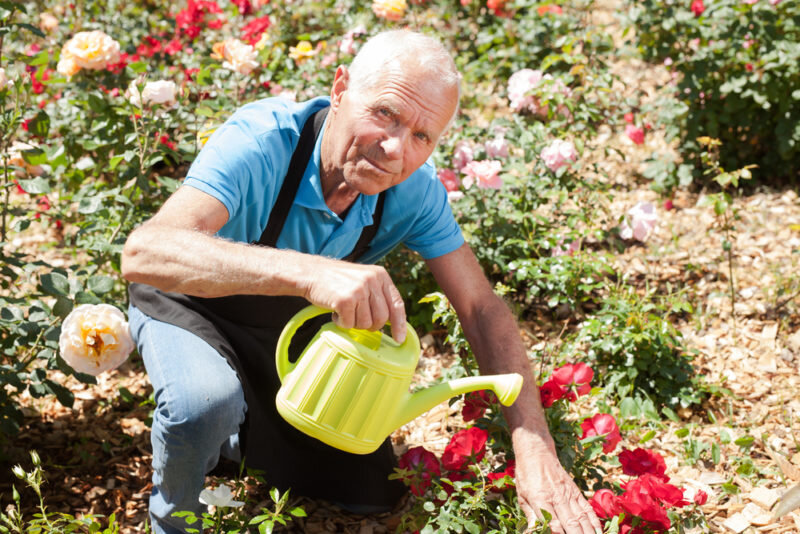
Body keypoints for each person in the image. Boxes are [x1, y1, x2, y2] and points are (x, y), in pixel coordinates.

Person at [121, 29, 602, 534]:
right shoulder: (263, 142)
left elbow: (481, 307)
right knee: (203, 404)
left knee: (369, 491)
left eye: (422, 136)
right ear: (340, 87)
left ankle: (237, 438)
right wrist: (311, 271)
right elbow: (145, 252)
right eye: (385, 114)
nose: (395, 149)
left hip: (282, 333)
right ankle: (174, 519)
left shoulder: (411, 192)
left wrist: (535, 451)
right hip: (190, 303)